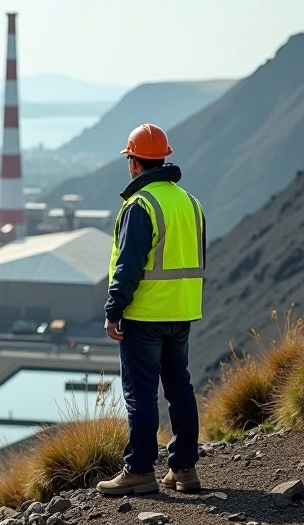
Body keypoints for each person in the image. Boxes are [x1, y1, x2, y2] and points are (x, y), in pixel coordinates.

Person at [95, 123, 206, 496]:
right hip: (183, 311)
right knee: (179, 387)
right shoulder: (190, 202)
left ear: (134, 162)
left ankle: (140, 471)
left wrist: (114, 310)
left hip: (145, 315)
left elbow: (128, 266)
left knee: (140, 393)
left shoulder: (140, 205)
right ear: (163, 158)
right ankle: (184, 470)